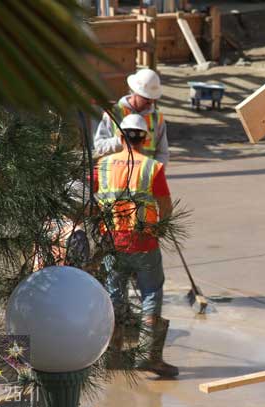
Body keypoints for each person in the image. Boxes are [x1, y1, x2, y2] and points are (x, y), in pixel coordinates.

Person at [94, 113, 177, 377]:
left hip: (111, 242)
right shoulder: (152, 167)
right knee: (151, 291)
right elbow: (165, 205)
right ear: (145, 138)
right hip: (144, 242)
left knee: (114, 295)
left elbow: (90, 202)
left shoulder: (102, 166)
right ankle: (150, 356)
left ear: (119, 137)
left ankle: (114, 354)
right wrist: (160, 229)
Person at [94, 68, 169, 165]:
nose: (150, 102)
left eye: (153, 98)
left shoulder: (157, 118)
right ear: (135, 92)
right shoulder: (114, 113)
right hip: (117, 175)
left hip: (143, 176)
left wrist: (156, 172)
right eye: (146, 98)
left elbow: (162, 153)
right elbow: (100, 146)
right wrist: (122, 140)